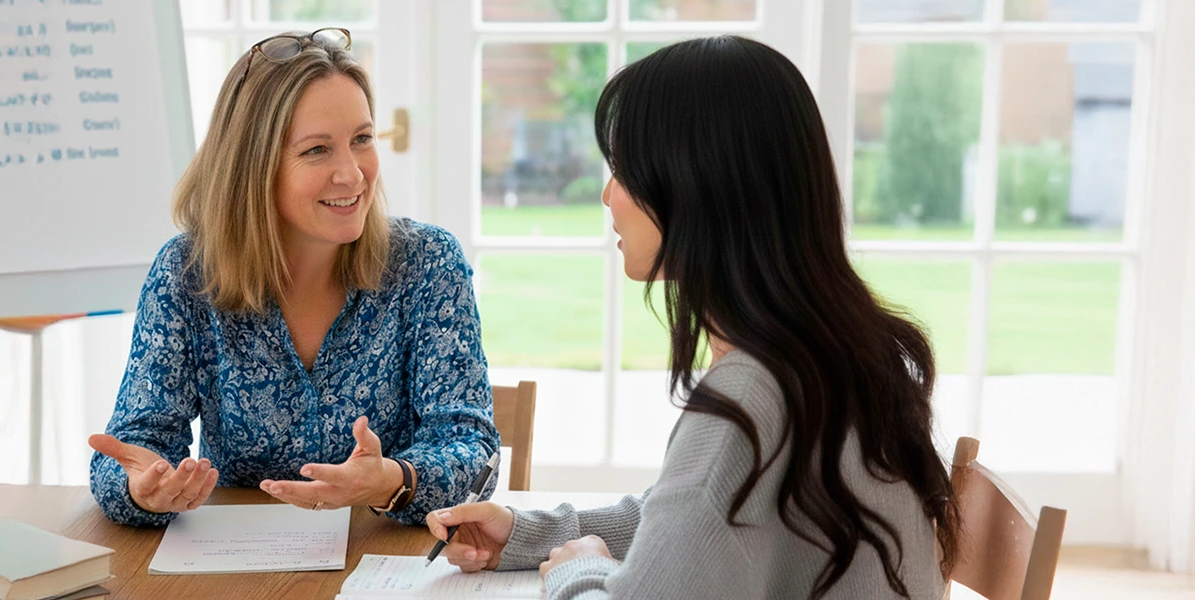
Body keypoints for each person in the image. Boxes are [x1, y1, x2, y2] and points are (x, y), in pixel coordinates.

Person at [425, 36, 960, 599]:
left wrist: (576, 570)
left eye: (625, 170)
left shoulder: (748, 403)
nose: (609, 195)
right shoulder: (839, 353)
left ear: (697, 187)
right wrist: (530, 535)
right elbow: (691, 525)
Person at [86, 28, 499, 527]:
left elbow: (473, 450)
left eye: (362, 140)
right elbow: (130, 449)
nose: (352, 174)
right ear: (252, 167)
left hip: (384, 557)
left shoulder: (427, 263)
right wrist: (144, 489)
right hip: (236, 569)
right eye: (317, 150)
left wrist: (392, 478)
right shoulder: (186, 273)